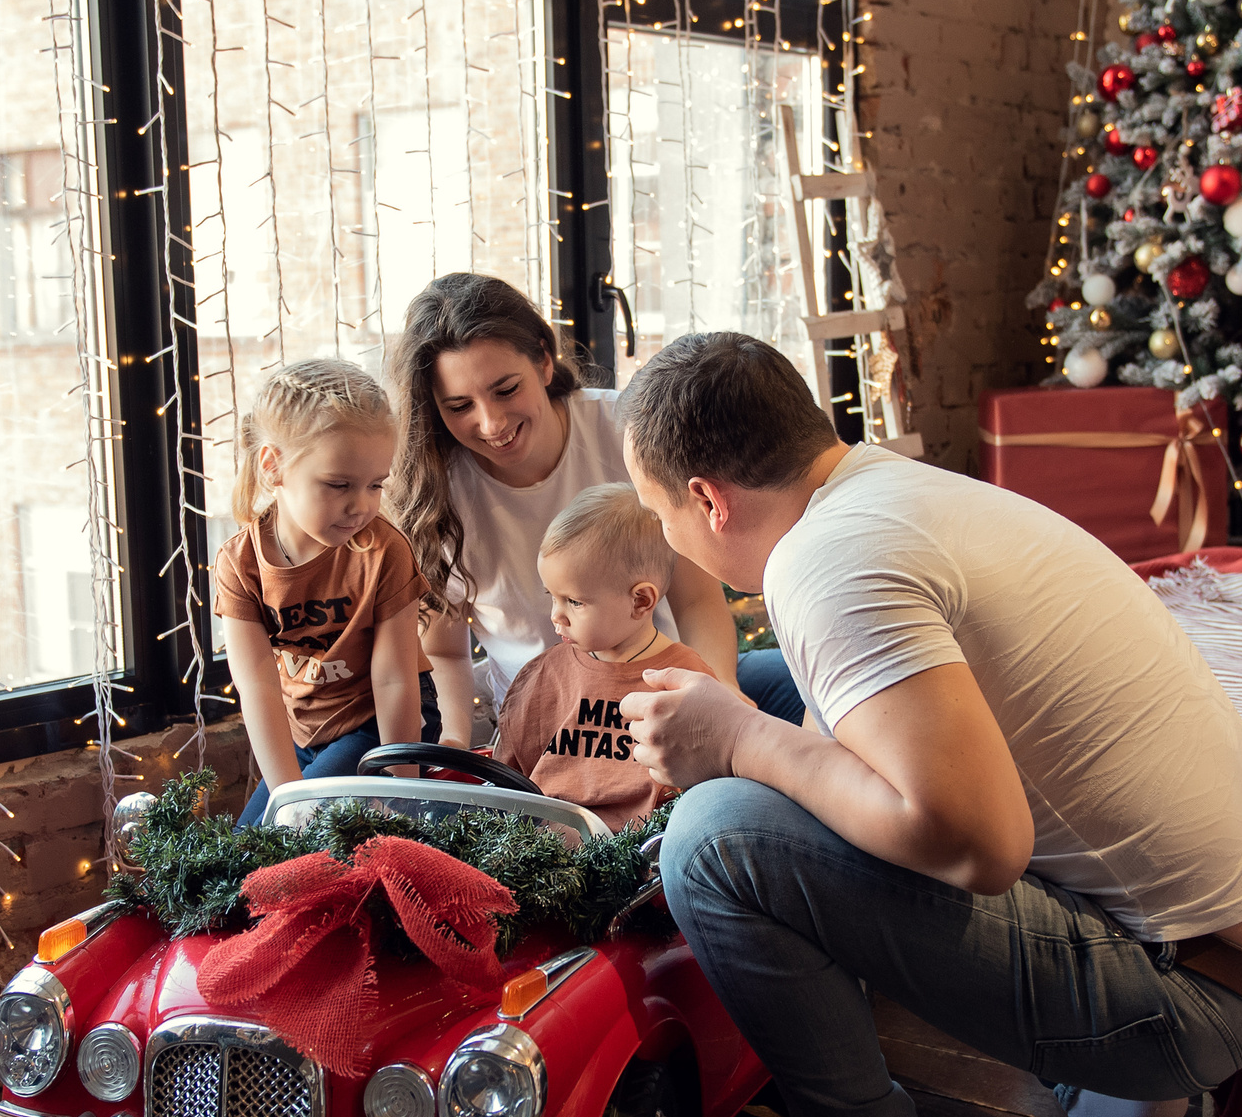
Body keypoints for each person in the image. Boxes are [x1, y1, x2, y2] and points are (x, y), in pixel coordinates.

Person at [615, 333, 1242, 1117]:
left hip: (1185, 999)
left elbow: (975, 844)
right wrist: (739, 726)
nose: (663, 533)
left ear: (707, 500)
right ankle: (1116, 1102)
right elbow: (837, 737)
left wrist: (735, 748)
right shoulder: (885, 488)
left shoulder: (828, 564)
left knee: (715, 839)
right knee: (762, 692)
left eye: (654, 511)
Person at [386, 273, 802, 746]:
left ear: (544, 360)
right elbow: (447, 652)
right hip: (546, 724)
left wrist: (717, 691)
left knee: (810, 682)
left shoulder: (628, 432)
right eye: (459, 405)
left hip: (661, 687)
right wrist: (456, 740)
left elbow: (696, 600)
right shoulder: (435, 489)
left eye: (506, 390)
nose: (491, 423)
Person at [213, 359, 426, 825]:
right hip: (302, 732)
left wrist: (404, 788)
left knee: (307, 830)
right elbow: (259, 688)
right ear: (274, 466)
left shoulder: (383, 551)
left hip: (375, 724)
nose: (362, 505)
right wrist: (287, 796)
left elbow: (395, 680)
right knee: (243, 851)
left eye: (375, 485)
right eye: (338, 485)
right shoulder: (240, 564)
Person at [486, 484, 714, 831]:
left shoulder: (683, 680)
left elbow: (705, 787)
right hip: (537, 844)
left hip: (640, 852)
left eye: (574, 602)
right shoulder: (544, 675)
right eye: (553, 596)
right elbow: (508, 779)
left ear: (640, 601)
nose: (555, 616)